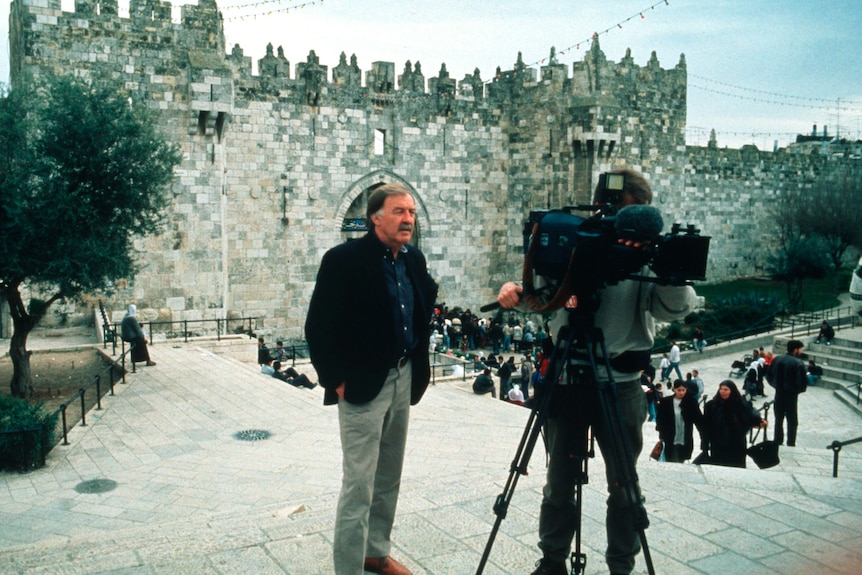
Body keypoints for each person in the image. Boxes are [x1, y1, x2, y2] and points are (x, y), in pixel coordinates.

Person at [496, 168, 698, 575]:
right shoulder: (575, 236)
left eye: (623, 213)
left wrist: (666, 265)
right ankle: (552, 560)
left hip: (620, 385)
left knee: (624, 485)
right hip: (568, 379)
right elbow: (543, 296)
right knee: (558, 482)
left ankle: (620, 565)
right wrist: (514, 295)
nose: (611, 223)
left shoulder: (644, 252)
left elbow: (675, 309)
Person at [305, 182, 438, 575]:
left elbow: (422, 305)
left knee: (388, 476)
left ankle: (375, 553)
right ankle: (348, 568)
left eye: (411, 212)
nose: (408, 219)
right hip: (363, 385)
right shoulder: (343, 259)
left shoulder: (412, 259)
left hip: (403, 376)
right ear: (374, 218)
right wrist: (336, 380)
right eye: (399, 212)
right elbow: (318, 325)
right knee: (358, 486)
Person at [702, 380, 766, 467]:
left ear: (732, 391)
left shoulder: (740, 405)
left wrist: (759, 422)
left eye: (726, 389)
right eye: (721, 389)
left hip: (736, 444)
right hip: (718, 444)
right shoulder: (712, 406)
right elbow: (706, 426)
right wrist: (705, 445)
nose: (723, 392)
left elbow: (748, 418)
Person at [766, 339, 807, 447]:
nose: (801, 351)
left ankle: (778, 440)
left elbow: (768, 375)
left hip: (779, 393)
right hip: (791, 395)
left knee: (778, 419)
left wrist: (776, 385)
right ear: (796, 349)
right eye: (800, 349)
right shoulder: (798, 363)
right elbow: (802, 382)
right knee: (792, 420)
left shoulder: (777, 359)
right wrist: (797, 390)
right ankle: (791, 442)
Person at [655, 379, 704, 463]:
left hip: (684, 435)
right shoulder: (666, 402)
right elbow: (660, 419)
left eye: (683, 390)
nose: (681, 393)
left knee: (682, 457)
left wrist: (703, 434)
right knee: (670, 457)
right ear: (674, 389)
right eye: (679, 390)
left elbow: (698, 419)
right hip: (670, 435)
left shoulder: (691, 402)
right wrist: (661, 434)